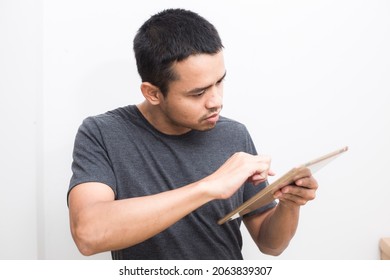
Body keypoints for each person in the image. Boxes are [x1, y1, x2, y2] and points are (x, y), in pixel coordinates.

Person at [67, 8, 318, 260]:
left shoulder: (234, 135)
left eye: (219, 82)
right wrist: (210, 187)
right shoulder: (102, 133)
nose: (216, 101)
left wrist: (289, 203)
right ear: (152, 93)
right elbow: (89, 234)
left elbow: (270, 245)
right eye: (198, 93)